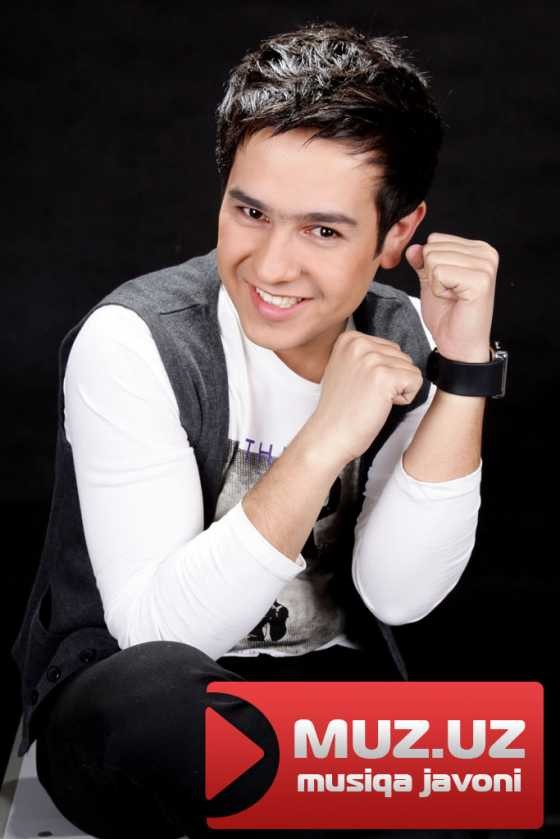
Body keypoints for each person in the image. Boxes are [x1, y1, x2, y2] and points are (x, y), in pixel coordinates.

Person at [11, 20, 501, 839]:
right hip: (132, 710)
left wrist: (463, 371)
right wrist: (325, 438)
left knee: (487, 752)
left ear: (397, 235)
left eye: (323, 230)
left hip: (318, 703)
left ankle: (337, 797)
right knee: (169, 709)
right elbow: (156, 633)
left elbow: (399, 595)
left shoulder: (409, 339)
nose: (271, 266)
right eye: (250, 211)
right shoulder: (136, 339)